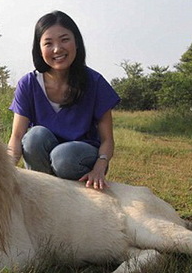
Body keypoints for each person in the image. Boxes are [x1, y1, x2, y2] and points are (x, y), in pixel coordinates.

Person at [7, 10, 121, 190]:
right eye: (48, 43)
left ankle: (73, 196)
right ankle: (43, 191)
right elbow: (17, 136)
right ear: (39, 48)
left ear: (76, 42)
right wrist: (4, 171)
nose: (57, 49)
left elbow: (107, 139)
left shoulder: (95, 82)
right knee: (33, 137)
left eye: (64, 39)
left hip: (78, 155)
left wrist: (100, 166)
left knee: (63, 156)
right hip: (44, 156)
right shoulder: (28, 84)